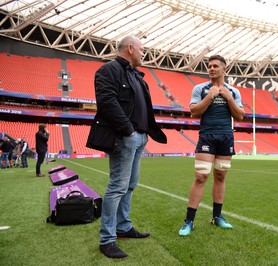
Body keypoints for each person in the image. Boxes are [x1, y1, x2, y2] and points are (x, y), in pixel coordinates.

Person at [87, 35, 167, 259]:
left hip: (139, 137)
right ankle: (107, 239)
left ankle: (123, 227)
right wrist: (129, 131)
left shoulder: (135, 75)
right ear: (130, 48)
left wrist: (143, 134)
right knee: (117, 187)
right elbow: (107, 102)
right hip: (125, 137)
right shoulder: (109, 70)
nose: (144, 53)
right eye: (142, 49)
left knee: (130, 185)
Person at [178, 55, 244, 236]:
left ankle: (217, 217)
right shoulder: (200, 89)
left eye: (215, 66)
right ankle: (189, 221)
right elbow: (194, 112)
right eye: (209, 66)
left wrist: (229, 98)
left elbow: (239, 116)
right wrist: (210, 96)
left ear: (224, 69)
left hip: (226, 137)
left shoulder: (234, 91)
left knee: (221, 176)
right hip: (207, 136)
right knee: (201, 177)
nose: (211, 69)